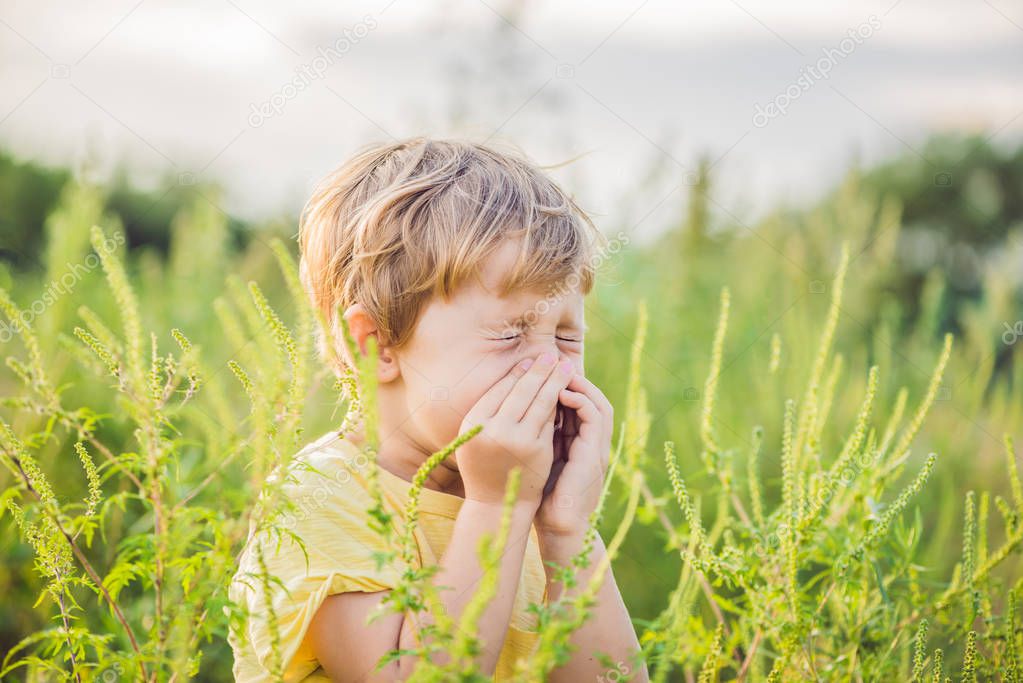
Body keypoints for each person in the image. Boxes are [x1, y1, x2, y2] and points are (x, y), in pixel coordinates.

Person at [228, 137, 647, 682]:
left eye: (567, 337)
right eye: (510, 333)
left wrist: (570, 531)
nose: (550, 369)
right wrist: (497, 508)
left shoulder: (531, 502)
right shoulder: (320, 503)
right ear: (375, 345)